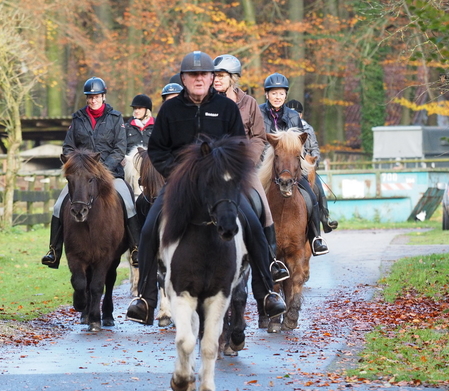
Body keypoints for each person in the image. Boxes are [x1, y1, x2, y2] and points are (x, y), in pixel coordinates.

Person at [126, 51, 287, 326]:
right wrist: (177, 174)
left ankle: (267, 293)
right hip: (181, 184)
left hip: (220, 183)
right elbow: (157, 150)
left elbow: (239, 144)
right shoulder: (170, 110)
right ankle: (146, 299)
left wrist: (227, 170)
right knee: (150, 225)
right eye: (193, 75)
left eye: (204, 74)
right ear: (184, 79)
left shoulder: (226, 108)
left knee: (252, 221)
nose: (199, 79)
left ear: (212, 77)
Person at [41, 77, 142, 269]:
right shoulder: (77, 118)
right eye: (90, 97)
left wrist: (102, 169)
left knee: (128, 204)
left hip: (111, 174)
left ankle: (136, 248)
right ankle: (53, 251)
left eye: (96, 96)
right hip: (82, 176)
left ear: (103, 96)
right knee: (57, 206)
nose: (93, 100)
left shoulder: (116, 118)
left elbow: (120, 148)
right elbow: (68, 146)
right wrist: (79, 166)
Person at [212, 54, 290, 286]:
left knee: (263, 207)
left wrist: (248, 161)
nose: (216, 79)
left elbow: (258, 136)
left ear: (233, 78)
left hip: (243, 167)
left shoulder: (249, 103)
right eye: (215, 75)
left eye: (222, 76)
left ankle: (271, 261)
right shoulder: (206, 103)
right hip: (213, 167)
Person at [259, 73, 329, 256]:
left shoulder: (292, 116)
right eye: (273, 93)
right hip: (265, 165)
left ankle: (315, 238)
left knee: (312, 196)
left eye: (281, 93)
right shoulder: (259, 113)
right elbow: (257, 141)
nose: (277, 97)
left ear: (285, 95)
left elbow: (300, 143)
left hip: (290, 165)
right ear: (267, 95)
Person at [286, 99, 338, 234]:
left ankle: (325, 219)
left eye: (296, 113)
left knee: (319, 190)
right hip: (289, 166)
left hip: (306, 166)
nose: (294, 116)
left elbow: (314, 148)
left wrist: (313, 162)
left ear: (301, 115)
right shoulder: (283, 128)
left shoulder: (308, 128)